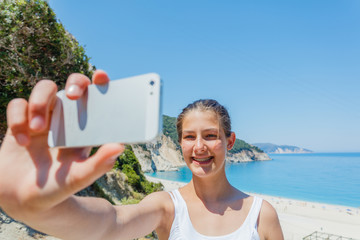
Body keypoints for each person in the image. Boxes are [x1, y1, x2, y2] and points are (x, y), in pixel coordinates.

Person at [0, 70, 284, 240]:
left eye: (210, 136)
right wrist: (38, 208)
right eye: (188, 137)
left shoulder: (261, 214)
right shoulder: (166, 207)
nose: (199, 147)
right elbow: (110, 223)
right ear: (180, 143)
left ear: (229, 141)